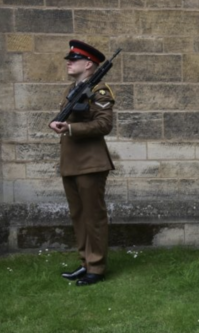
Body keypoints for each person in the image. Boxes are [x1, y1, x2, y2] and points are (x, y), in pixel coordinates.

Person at [49, 40, 115, 286]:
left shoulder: (100, 91)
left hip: (91, 163)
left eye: (73, 60)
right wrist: (58, 123)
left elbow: (104, 124)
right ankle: (85, 262)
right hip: (71, 162)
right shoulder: (71, 89)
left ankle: (96, 268)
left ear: (88, 64)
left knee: (93, 216)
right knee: (78, 215)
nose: (68, 62)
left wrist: (71, 128)